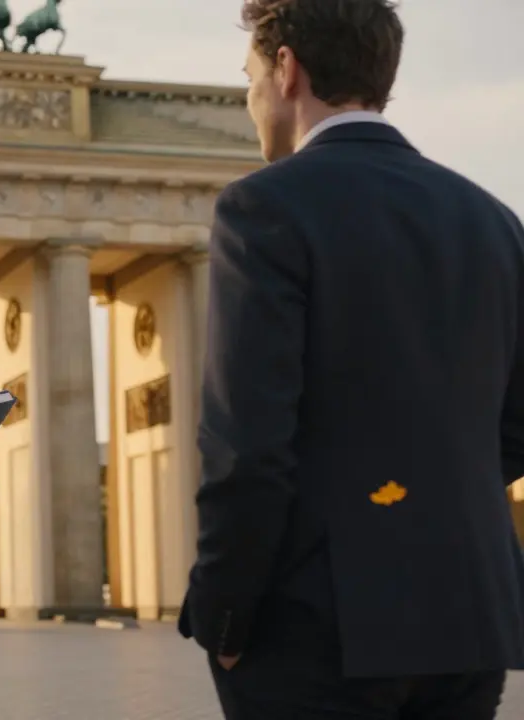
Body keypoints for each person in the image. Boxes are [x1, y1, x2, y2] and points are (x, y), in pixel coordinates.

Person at [179, 1, 524, 718]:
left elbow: (246, 447)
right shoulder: (494, 220)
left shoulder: (265, 207)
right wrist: (420, 498)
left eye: (249, 78)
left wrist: (227, 617)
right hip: (469, 616)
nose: (250, 101)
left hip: (316, 623)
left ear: (285, 68)